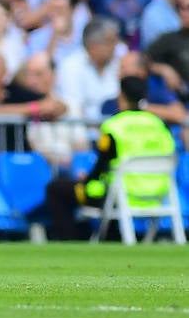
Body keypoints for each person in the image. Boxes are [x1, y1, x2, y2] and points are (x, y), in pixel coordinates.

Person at [43, 75, 176, 241]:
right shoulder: (159, 125)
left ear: (121, 96)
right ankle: (110, 237)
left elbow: (101, 166)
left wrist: (86, 180)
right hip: (157, 194)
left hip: (122, 194)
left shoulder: (115, 126)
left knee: (56, 189)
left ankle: (71, 241)